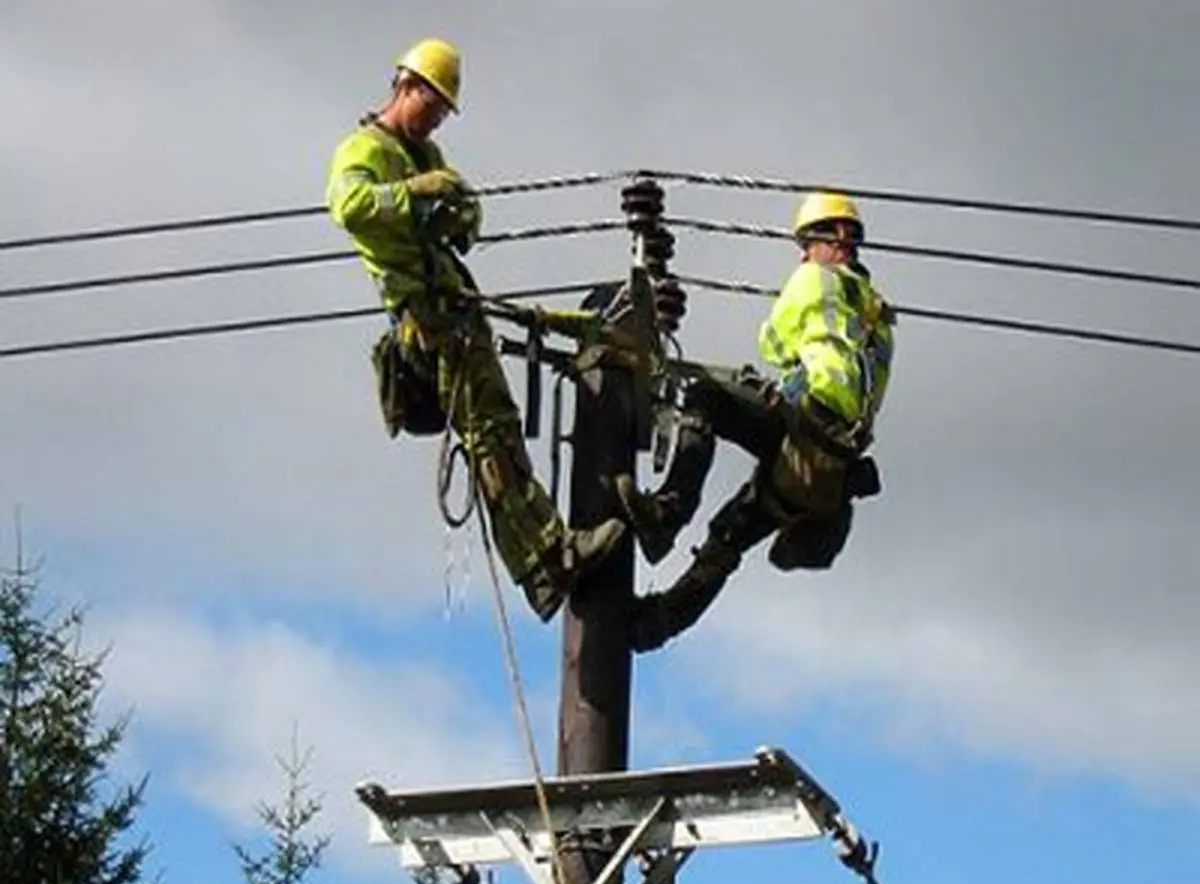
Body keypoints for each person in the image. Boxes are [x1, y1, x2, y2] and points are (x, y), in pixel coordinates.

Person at [325, 37, 626, 623]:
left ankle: (546, 561)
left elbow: (464, 208)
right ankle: (547, 558)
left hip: (457, 311)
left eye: (443, 111)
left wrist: (462, 211)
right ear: (406, 86)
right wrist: (413, 195)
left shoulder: (429, 156)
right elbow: (347, 206)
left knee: (499, 433)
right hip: (427, 323)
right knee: (491, 437)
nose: (436, 118)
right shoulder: (363, 149)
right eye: (432, 104)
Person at [614, 191, 896, 652]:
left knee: (705, 396)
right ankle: (656, 624)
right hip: (829, 470)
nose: (840, 240)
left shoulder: (812, 279)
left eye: (838, 235)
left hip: (808, 422)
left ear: (805, 244)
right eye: (838, 232)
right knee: (728, 536)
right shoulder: (880, 320)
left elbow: (774, 341)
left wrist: (787, 366)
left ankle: (668, 512)